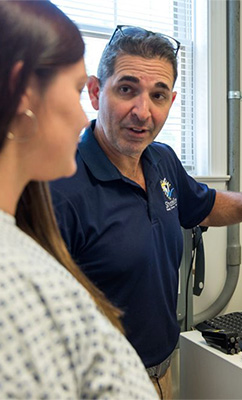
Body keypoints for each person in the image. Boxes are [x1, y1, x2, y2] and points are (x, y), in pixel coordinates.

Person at [50, 25, 242, 398]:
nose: (143, 111)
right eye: (126, 89)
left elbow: (204, 206)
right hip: (93, 385)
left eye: (157, 95)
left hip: (159, 373)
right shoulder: (61, 186)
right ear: (94, 91)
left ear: (171, 102)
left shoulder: (161, 160)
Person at [0, 3, 157, 399]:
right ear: (23, 94)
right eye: (73, 90)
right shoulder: (16, 285)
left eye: (158, 95)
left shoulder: (161, 161)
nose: (79, 116)